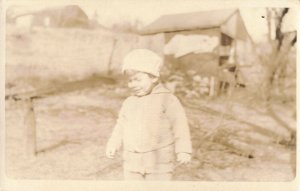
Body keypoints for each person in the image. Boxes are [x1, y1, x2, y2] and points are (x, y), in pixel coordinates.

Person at [105, 49, 192, 180]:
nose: (133, 85)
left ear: (154, 78)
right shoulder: (129, 102)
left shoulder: (167, 99)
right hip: (132, 161)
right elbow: (121, 125)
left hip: (159, 161)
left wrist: (183, 150)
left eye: (137, 80)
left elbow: (179, 125)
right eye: (130, 81)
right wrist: (113, 143)